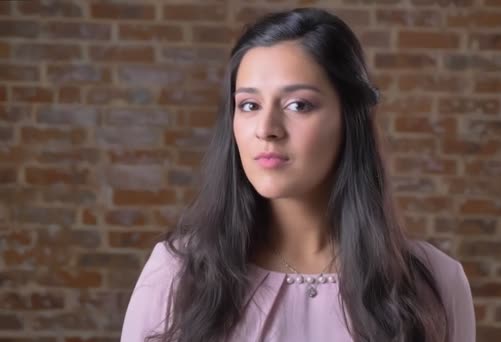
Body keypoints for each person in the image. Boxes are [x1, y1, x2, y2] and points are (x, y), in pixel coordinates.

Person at [120, 7, 475, 342]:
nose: (267, 129)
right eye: (249, 105)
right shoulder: (176, 275)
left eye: (298, 105)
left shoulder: (436, 284)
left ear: (350, 120)